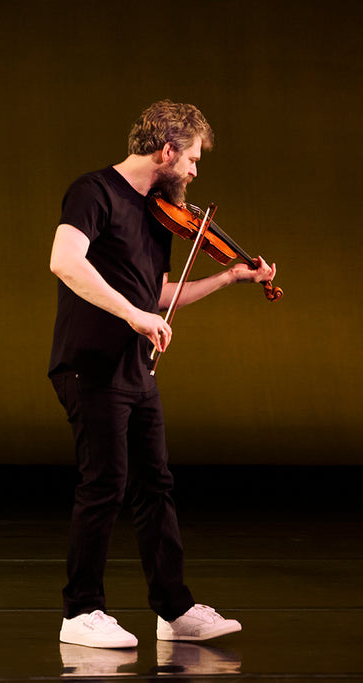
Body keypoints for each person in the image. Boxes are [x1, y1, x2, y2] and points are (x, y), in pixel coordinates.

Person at [48, 100, 276, 648]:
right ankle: (81, 612)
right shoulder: (93, 192)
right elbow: (65, 261)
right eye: (193, 159)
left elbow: (160, 295)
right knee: (105, 484)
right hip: (90, 363)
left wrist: (227, 280)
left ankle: (174, 609)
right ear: (167, 150)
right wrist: (132, 313)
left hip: (136, 366)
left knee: (155, 485)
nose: (196, 172)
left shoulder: (159, 211)